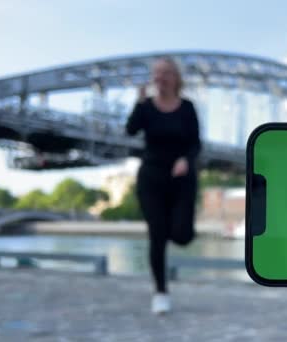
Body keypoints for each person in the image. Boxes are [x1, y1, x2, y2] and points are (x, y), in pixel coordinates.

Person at [125, 57, 201, 315]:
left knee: (182, 235)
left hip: (181, 179)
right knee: (157, 235)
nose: (160, 77)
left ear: (176, 78)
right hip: (152, 178)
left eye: (166, 73)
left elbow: (196, 144)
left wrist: (186, 159)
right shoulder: (146, 107)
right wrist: (138, 101)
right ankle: (160, 292)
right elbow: (130, 130)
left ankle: (171, 225)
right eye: (156, 73)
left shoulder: (187, 108)